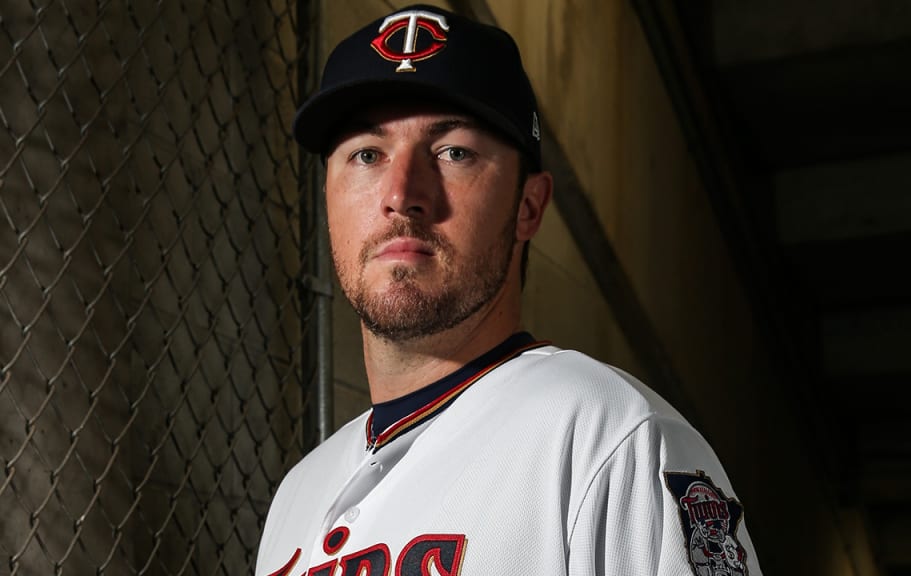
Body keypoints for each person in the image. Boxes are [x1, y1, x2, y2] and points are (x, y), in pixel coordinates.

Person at [255, 5, 760, 576]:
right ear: (327, 196)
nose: (401, 193)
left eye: (453, 153)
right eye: (366, 155)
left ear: (528, 206)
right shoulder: (298, 495)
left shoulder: (610, 437)